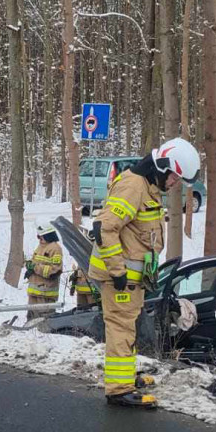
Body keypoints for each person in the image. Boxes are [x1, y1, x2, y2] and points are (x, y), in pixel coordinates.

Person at [88, 137, 200, 408]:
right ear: (163, 166)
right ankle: (118, 390)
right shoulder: (133, 186)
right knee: (121, 329)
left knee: (129, 328)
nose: (173, 184)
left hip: (131, 280)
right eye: (174, 177)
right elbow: (104, 227)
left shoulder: (146, 186)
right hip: (120, 279)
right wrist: (117, 272)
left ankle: (125, 377)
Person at [25, 226, 62, 319]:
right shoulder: (41, 246)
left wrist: (35, 268)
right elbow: (38, 262)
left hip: (45, 293)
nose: (39, 239)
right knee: (31, 319)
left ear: (48, 235)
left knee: (43, 319)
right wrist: (30, 265)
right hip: (34, 291)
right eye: (38, 236)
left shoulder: (55, 248)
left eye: (40, 236)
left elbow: (55, 271)